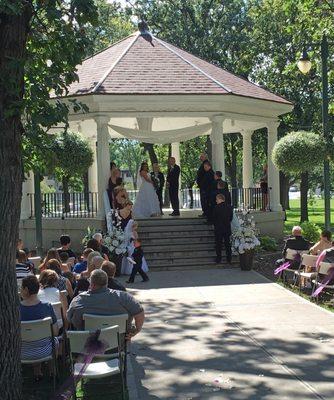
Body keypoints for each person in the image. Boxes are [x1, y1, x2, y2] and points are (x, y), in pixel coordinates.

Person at [67, 269, 145, 336]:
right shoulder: (124, 297)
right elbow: (139, 312)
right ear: (106, 283)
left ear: (92, 284)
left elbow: (69, 319)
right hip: (119, 345)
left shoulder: (78, 300)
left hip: (86, 346)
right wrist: (137, 330)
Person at [20, 275, 59, 381]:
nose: (20, 291)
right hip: (45, 351)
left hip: (21, 352)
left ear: (26, 290)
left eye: (21, 288)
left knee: (31, 340)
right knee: (54, 340)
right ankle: (52, 370)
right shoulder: (47, 307)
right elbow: (55, 332)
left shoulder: (16, 309)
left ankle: (37, 371)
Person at [213, 194, 233, 264]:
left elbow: (214, 218)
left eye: (216, 199)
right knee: (228, 244)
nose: (216, 201)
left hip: (218, 229)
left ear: (220, 199)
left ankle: (219, 259)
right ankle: (229, 259)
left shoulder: (216, 207)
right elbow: (231, 218)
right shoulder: (230, 207)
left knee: (218, 245)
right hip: (227, 228)